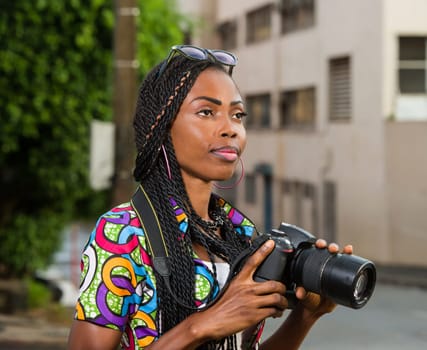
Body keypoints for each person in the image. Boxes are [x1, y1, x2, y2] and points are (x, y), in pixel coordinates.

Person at [67, 45, 353, 350]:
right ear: (161, 128)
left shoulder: (241, 234)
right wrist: (202, 326)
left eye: (237, 115)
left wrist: (305, 318)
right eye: (206, 112)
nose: (230, 129)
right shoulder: (123, 233)